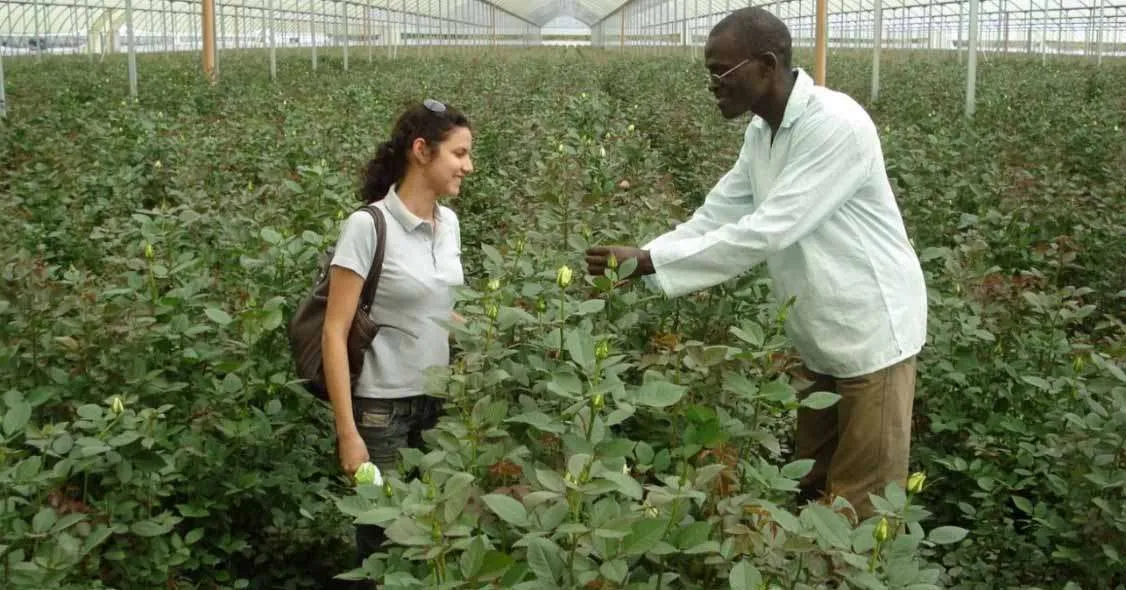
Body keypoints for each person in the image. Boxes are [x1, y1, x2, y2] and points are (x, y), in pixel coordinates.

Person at [584, 7, 927, 521]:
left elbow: (768, 229)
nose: (712, 85)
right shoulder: (762, 133)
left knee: (860, 507)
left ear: (766, 66)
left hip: (870, 334)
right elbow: (718, 214)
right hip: (819, 334)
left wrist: (654, 262)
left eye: (720, 71)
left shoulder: (835, 126)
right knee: (810, 482)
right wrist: (644, 259)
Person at [322, 98, 473, 568]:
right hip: (379, 414)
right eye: (459, 154)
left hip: (439, 406)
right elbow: (333, 331)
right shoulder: (368, 226)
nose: (469, 166)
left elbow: (442, 310)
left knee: (437, 536)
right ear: (421, 151)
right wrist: (347, 432)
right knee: (384, 543)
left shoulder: (449, 224)